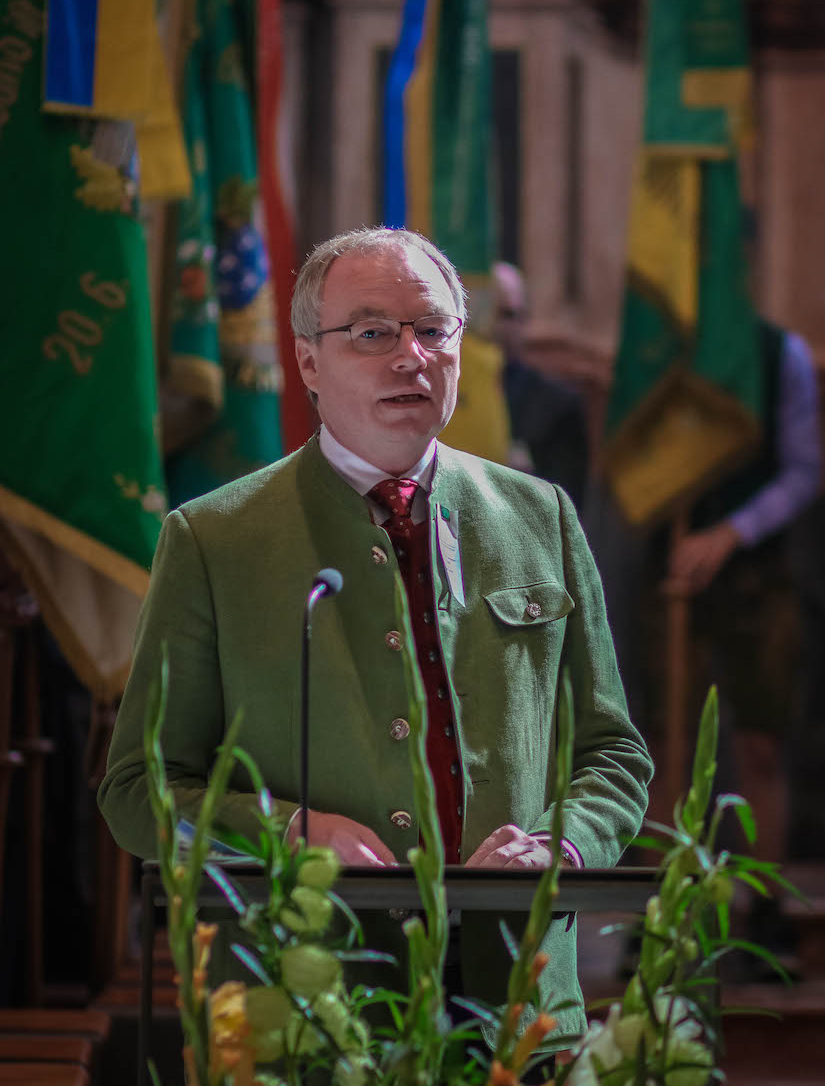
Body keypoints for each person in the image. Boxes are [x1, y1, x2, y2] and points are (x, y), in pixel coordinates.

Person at [99, 227, 652, 1035]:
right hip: (308, 1015)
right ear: (308, 362)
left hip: (519, 1008)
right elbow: (139, 792)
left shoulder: (543, 518)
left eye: (433, 330)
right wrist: (290, 831)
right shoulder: (214, 540)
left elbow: (615, 755)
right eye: (371, 333)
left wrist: (558, 847)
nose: (410, 356)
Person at [669, 319, 822, 954]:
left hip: (760, 571)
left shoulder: (782, 351)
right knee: (666, 741)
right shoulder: (658, 343)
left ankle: (767, 913)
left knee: (762, 742)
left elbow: (803, 471)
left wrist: (732, 533)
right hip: (674, 566)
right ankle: (666, 908)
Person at [491, 262, 591, 510]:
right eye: (481, 312)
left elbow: (565, 509)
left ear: (525, 321)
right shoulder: (431, 396)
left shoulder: (558, 405)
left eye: (507, 314)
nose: (493, 325)